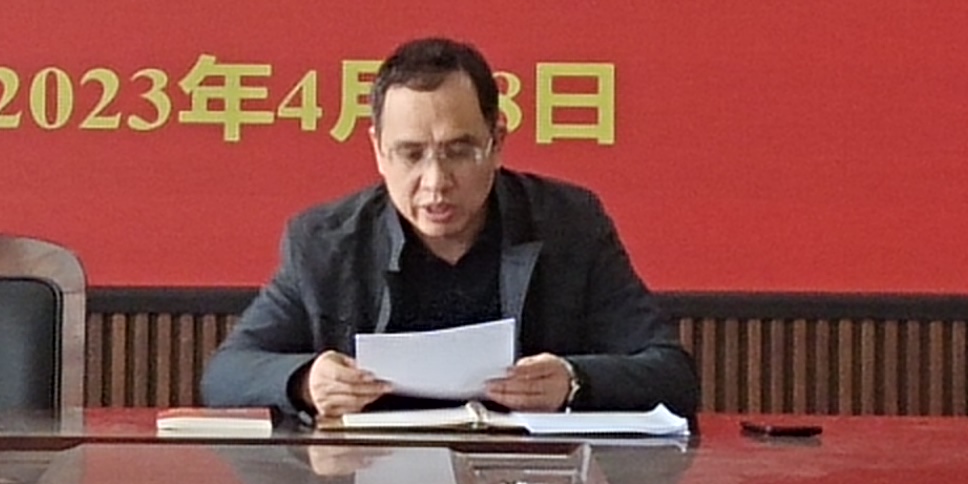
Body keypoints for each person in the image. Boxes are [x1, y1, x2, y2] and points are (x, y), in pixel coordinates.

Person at [201, 38, 698, 420]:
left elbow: (672, 375)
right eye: (411, 154)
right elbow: (225, 375)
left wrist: (573, 381)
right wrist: (305, 382)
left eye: (459, 152)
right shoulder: (325, 242)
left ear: (496, 142)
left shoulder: (569, 224)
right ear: (378, 151)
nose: (436, 182)